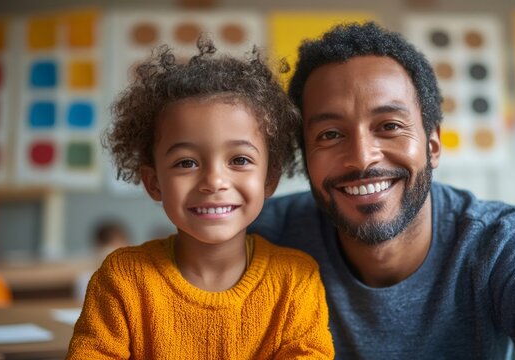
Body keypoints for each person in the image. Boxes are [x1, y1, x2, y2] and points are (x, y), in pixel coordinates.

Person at [250, 22, 515, 359]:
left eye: (389, 125)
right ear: (305, 155)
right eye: (330, 134)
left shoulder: (500, 241)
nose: (362, 157)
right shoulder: (262, 238)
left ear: (433, 144)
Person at [67, 37, 334, 359]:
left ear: (269, 179)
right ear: (154, 183)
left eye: (239, 160)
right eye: (186, 163)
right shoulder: (123, 279)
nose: (214, 181)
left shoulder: (296, 280)